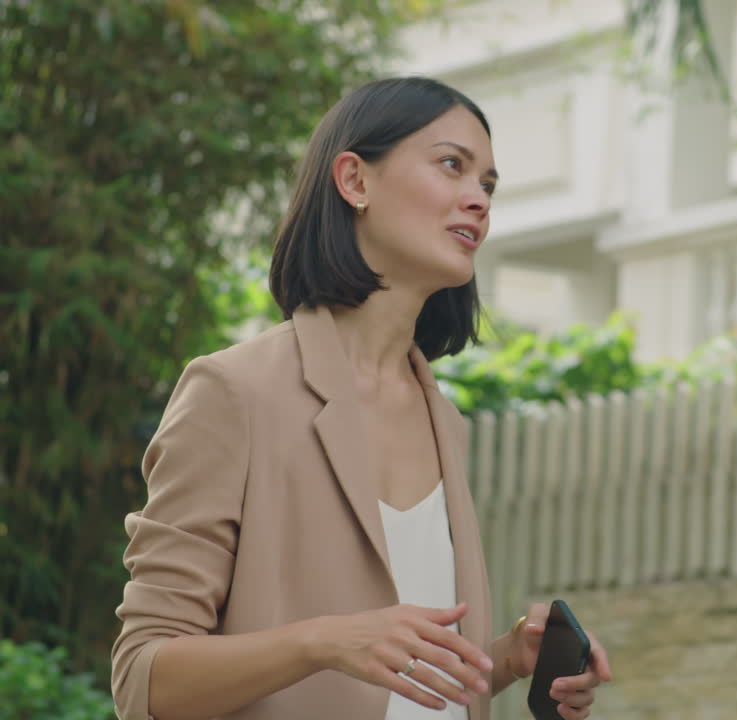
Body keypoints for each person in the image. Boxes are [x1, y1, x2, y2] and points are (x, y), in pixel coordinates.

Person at [111, 77, 611, 720]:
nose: (478, 200)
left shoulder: (443, 420)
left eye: (487, 184)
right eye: (451, 165)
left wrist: (507, 657)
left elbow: (385, 685)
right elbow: (144, 679)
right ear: (355, 181)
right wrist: (323, 640)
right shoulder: (232, 393)